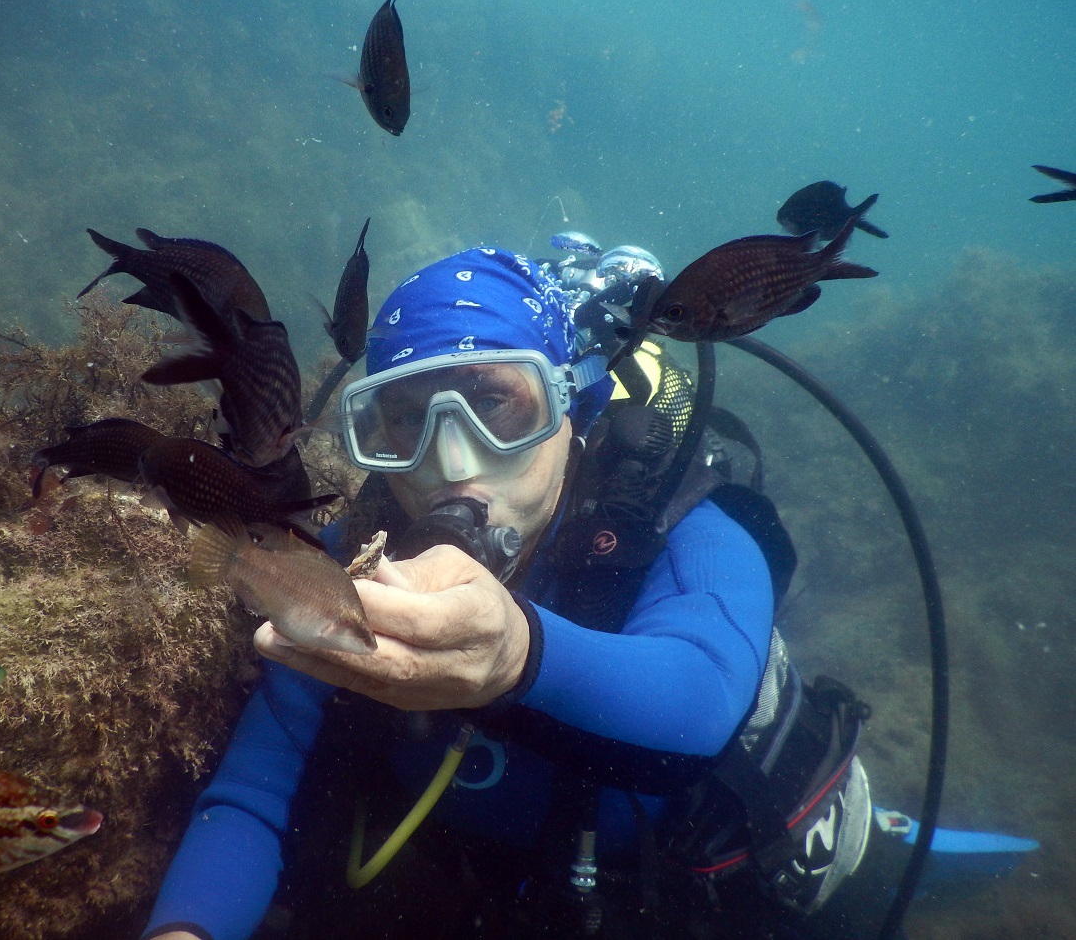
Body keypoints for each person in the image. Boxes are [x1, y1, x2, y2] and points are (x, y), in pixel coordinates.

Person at [141, 245, 873, 940]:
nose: (450, 462)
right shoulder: (343, 569)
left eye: (492, 402)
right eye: (404, 418)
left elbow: (702, 699)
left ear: (573, 408)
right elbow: (250, 796)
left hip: (702, 895)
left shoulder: (687, 530)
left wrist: (518, 653)